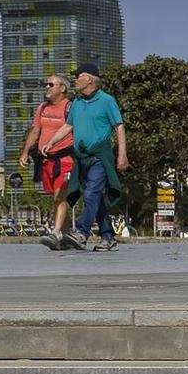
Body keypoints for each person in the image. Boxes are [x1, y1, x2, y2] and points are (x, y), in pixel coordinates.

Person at [62, 62, 128, 252]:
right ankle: (108, 238)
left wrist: (122, 155)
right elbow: (68, 126)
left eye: (78, 77)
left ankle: (82, 233)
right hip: (82, 157)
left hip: (100, 155)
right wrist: (50, 142)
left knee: (91, 193)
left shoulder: (107, 101)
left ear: (89, 79)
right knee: (94, 197)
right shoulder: (77, 103)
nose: (75, 80)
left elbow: (119, 126)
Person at [18, 73, 76, 249]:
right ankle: (64, 238)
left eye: (51, 84)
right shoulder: (42, 108)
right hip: (46, 160)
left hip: (65, 159)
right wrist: (25, 152)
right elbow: (36, 131)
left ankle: (55, 232)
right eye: (46, 84)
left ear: (62, 88)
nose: (47, 87)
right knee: (57, 199)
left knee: (61, 195)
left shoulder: (70, 107)